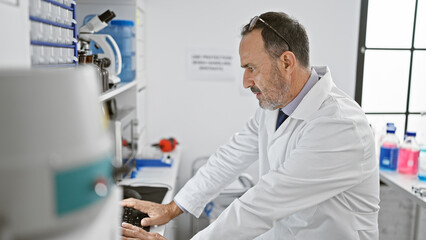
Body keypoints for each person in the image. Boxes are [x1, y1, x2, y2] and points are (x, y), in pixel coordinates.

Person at [121, 11, 380, 240]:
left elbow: (265, 202)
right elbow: (229, 157)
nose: (246, 82)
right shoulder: (274, 107)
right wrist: (173, 208)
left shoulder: (340, 125)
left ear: (287, 62)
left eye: (251, 68)